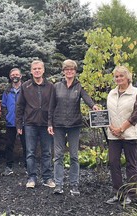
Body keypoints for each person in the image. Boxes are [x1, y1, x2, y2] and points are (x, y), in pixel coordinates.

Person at [48, 59, 99, 195]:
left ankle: (74, 185)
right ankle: (58, 185)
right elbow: (51, 106)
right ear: (63, 71)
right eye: (67, 69)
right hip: (58, 124)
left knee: (74, 156)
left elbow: (86, 98)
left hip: (74, 125)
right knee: (58, 155)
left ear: (75, 72)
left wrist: (93, 106)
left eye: (72, 69)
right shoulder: (56, 86)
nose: (69, 71)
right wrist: (49, 124)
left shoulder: (79, 86)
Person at [106, 66, 137, 205]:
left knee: (131, 165)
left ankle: (132, 195)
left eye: (121, 76)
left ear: (128, 77)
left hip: (130, 135)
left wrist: (121, 129)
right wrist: (112, 128)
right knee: (113, 162)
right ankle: (118, 193)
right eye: (116, 76)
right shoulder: (111, 93)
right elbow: (107, 114)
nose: (119, 78)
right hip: (113, 135)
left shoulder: (136, 93)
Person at [16, 60, 55, 189]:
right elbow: (20, 106)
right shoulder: (25, 86)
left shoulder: (50, 87)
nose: (37, 71)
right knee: (30, 152)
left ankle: (47, 178)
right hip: (30, 124)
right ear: (31, 71)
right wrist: (19, 125)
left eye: (39, 68)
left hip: (46, 124)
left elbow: (53, 106)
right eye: (34, 69)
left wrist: (51, 122)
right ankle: (31, 177)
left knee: (47, 152)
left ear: (43, 70)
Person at [2, 68, 26, 176]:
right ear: (10, 77)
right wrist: (6, 116)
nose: (15, 76)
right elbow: (3, 106)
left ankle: (27, 167)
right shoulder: (7, 91)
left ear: (20, 76)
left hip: (24, 122)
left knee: (26, 145)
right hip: (10, 122)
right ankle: (9, 167)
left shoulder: (26, 89)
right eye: (12, 75)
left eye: (17, 74)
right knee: (9, 145)